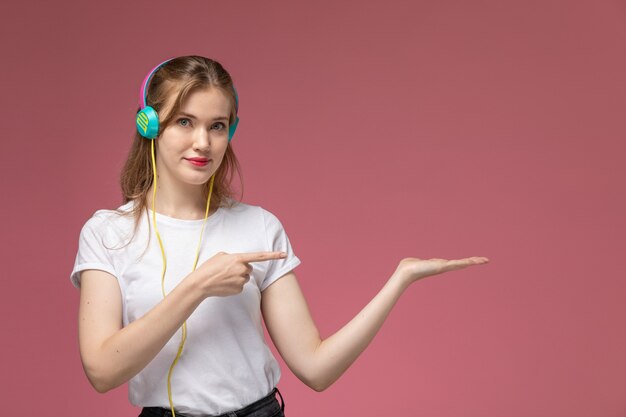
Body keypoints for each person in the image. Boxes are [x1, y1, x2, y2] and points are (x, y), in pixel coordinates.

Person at [70, 55, 489, 417]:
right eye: (184, 121)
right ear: (149, 124)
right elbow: (102, 371)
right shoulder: (108, 233)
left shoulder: (259, 226)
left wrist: (400, 279)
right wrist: (198, 285)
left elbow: (316, 368)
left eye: (217, 125)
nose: (203, 142)